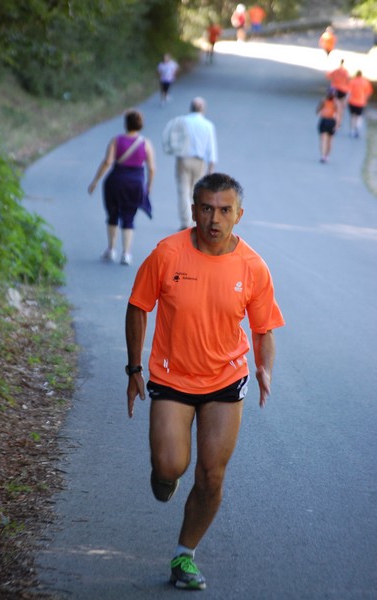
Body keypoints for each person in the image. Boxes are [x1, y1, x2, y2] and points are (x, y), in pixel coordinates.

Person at [125, 172, 285, 590]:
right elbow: (138, 306)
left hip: (226, 380)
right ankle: (165, 474)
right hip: (172, 376)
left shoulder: (252, 266)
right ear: (194, 210)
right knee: (169, 467)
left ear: (239, 215)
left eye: (225, 210)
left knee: (212, 474)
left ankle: (184, 556)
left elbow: (264, 328)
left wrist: (265, 367)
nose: (215, 218)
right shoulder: (166, 254)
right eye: (207, 209)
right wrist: (133, 368)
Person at [88, 109, 155, 265]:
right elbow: (151, 167)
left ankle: (111, 250)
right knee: (129, 217)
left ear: (126, 124)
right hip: (135, 183)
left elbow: (108, 162)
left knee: (112, 214)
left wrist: (95, 181)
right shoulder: (146, 143)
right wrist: (149, 185)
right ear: (140, 124)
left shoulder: (116, 141)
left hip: (115, 181)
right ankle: (126, 254)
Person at [173, 97, 218, 230]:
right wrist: (211, 168)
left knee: (183, 190)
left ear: (190, 107)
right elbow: (212, 148)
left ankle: (185, 221)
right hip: (200, 161)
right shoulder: (208, 125)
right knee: (195, 191)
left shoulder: (182, 122)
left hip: (184, 159)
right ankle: (194, 220)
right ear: (203, 109)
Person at [347, 70, 374, 138]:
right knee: (358, 116)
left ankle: (352, 130)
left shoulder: (352, 81)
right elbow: (369, 93)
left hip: (352, 101)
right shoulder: (365, 82)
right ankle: (357, 128)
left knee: (353, 116)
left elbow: (349, 92)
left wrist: (346, 100)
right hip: (361, 102)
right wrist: (365, 99)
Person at [326, 59, 350, 128]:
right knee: (341, 108)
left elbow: (328, 76)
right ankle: (338, 122)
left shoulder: (335, 71)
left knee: (334, 107)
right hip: (343, 90)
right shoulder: (345, 72)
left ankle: (334, 120)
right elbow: (348, 80)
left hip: (334, 89)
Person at [316, 90, 338, 163]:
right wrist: (336, 125)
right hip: (331, 121)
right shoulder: (336, 103)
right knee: (329, 140)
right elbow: (338, 114)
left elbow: (317, 111)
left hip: (324, 120)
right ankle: (326, 156)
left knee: (323, 139)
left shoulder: (323, 101)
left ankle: (322, 156)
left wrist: (320, 112)